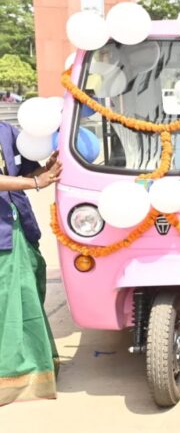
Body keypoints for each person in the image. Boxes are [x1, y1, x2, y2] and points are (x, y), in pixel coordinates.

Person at [0, 122, 63, 405]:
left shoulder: (6, 131)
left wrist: (46, 170)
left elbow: (28, 172)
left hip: (16, 226)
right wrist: (35, 183)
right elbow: (29, 181)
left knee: (27, 294)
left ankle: (34, 368)